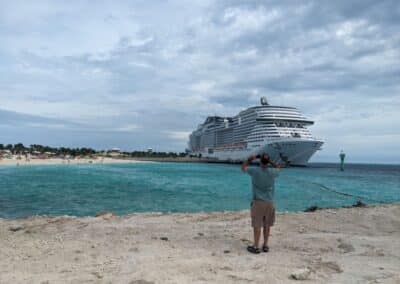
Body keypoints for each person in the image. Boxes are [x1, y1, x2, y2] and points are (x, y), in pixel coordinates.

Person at [241, 153, 281, 254]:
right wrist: (269, 161)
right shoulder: (273, 172)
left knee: (257, 225)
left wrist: (251, 158)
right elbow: (278, 167)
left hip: (258, 202)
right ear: (268, 162)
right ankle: (265, 245)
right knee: (267, 225)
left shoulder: (254, 170)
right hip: (269, 202)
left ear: (260, 161)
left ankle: (256, 246)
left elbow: (243, 167)